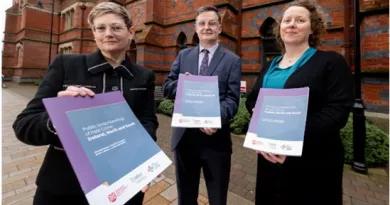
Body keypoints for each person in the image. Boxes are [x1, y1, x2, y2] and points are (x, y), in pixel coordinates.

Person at [12, 2, 158, 205]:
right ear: (94, 33)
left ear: (130, 32)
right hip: (65, 185)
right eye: (101, 28)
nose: (108, 33)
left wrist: (144, 161)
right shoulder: (66, 65)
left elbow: (147, 120)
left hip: (124, 183)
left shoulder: (144, 76)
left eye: (116, 27)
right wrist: (59, 118)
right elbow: (24, 126)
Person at [245, 0, 354, 204]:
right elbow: (252, 102)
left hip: (313, 160)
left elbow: (337, 112)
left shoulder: (330, 62)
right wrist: (262, 131)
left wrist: (288, 141)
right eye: (287, 20)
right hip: (269, 157)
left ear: (313, 28)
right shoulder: (269, 67)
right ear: (280, 28)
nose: (292, 24)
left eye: (300, 20)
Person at [162, 5, 241, 205]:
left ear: (219, 28)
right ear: (196, 28)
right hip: (185, 138)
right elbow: (167, 87)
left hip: (215, 141)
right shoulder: (183, 56)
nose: (207, 27)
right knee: (186, 197)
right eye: (202, 23)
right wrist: (182, 84)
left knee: (217, 198)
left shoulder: (232, 60)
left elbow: (232, 100)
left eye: (212, 23)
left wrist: (214, 117)